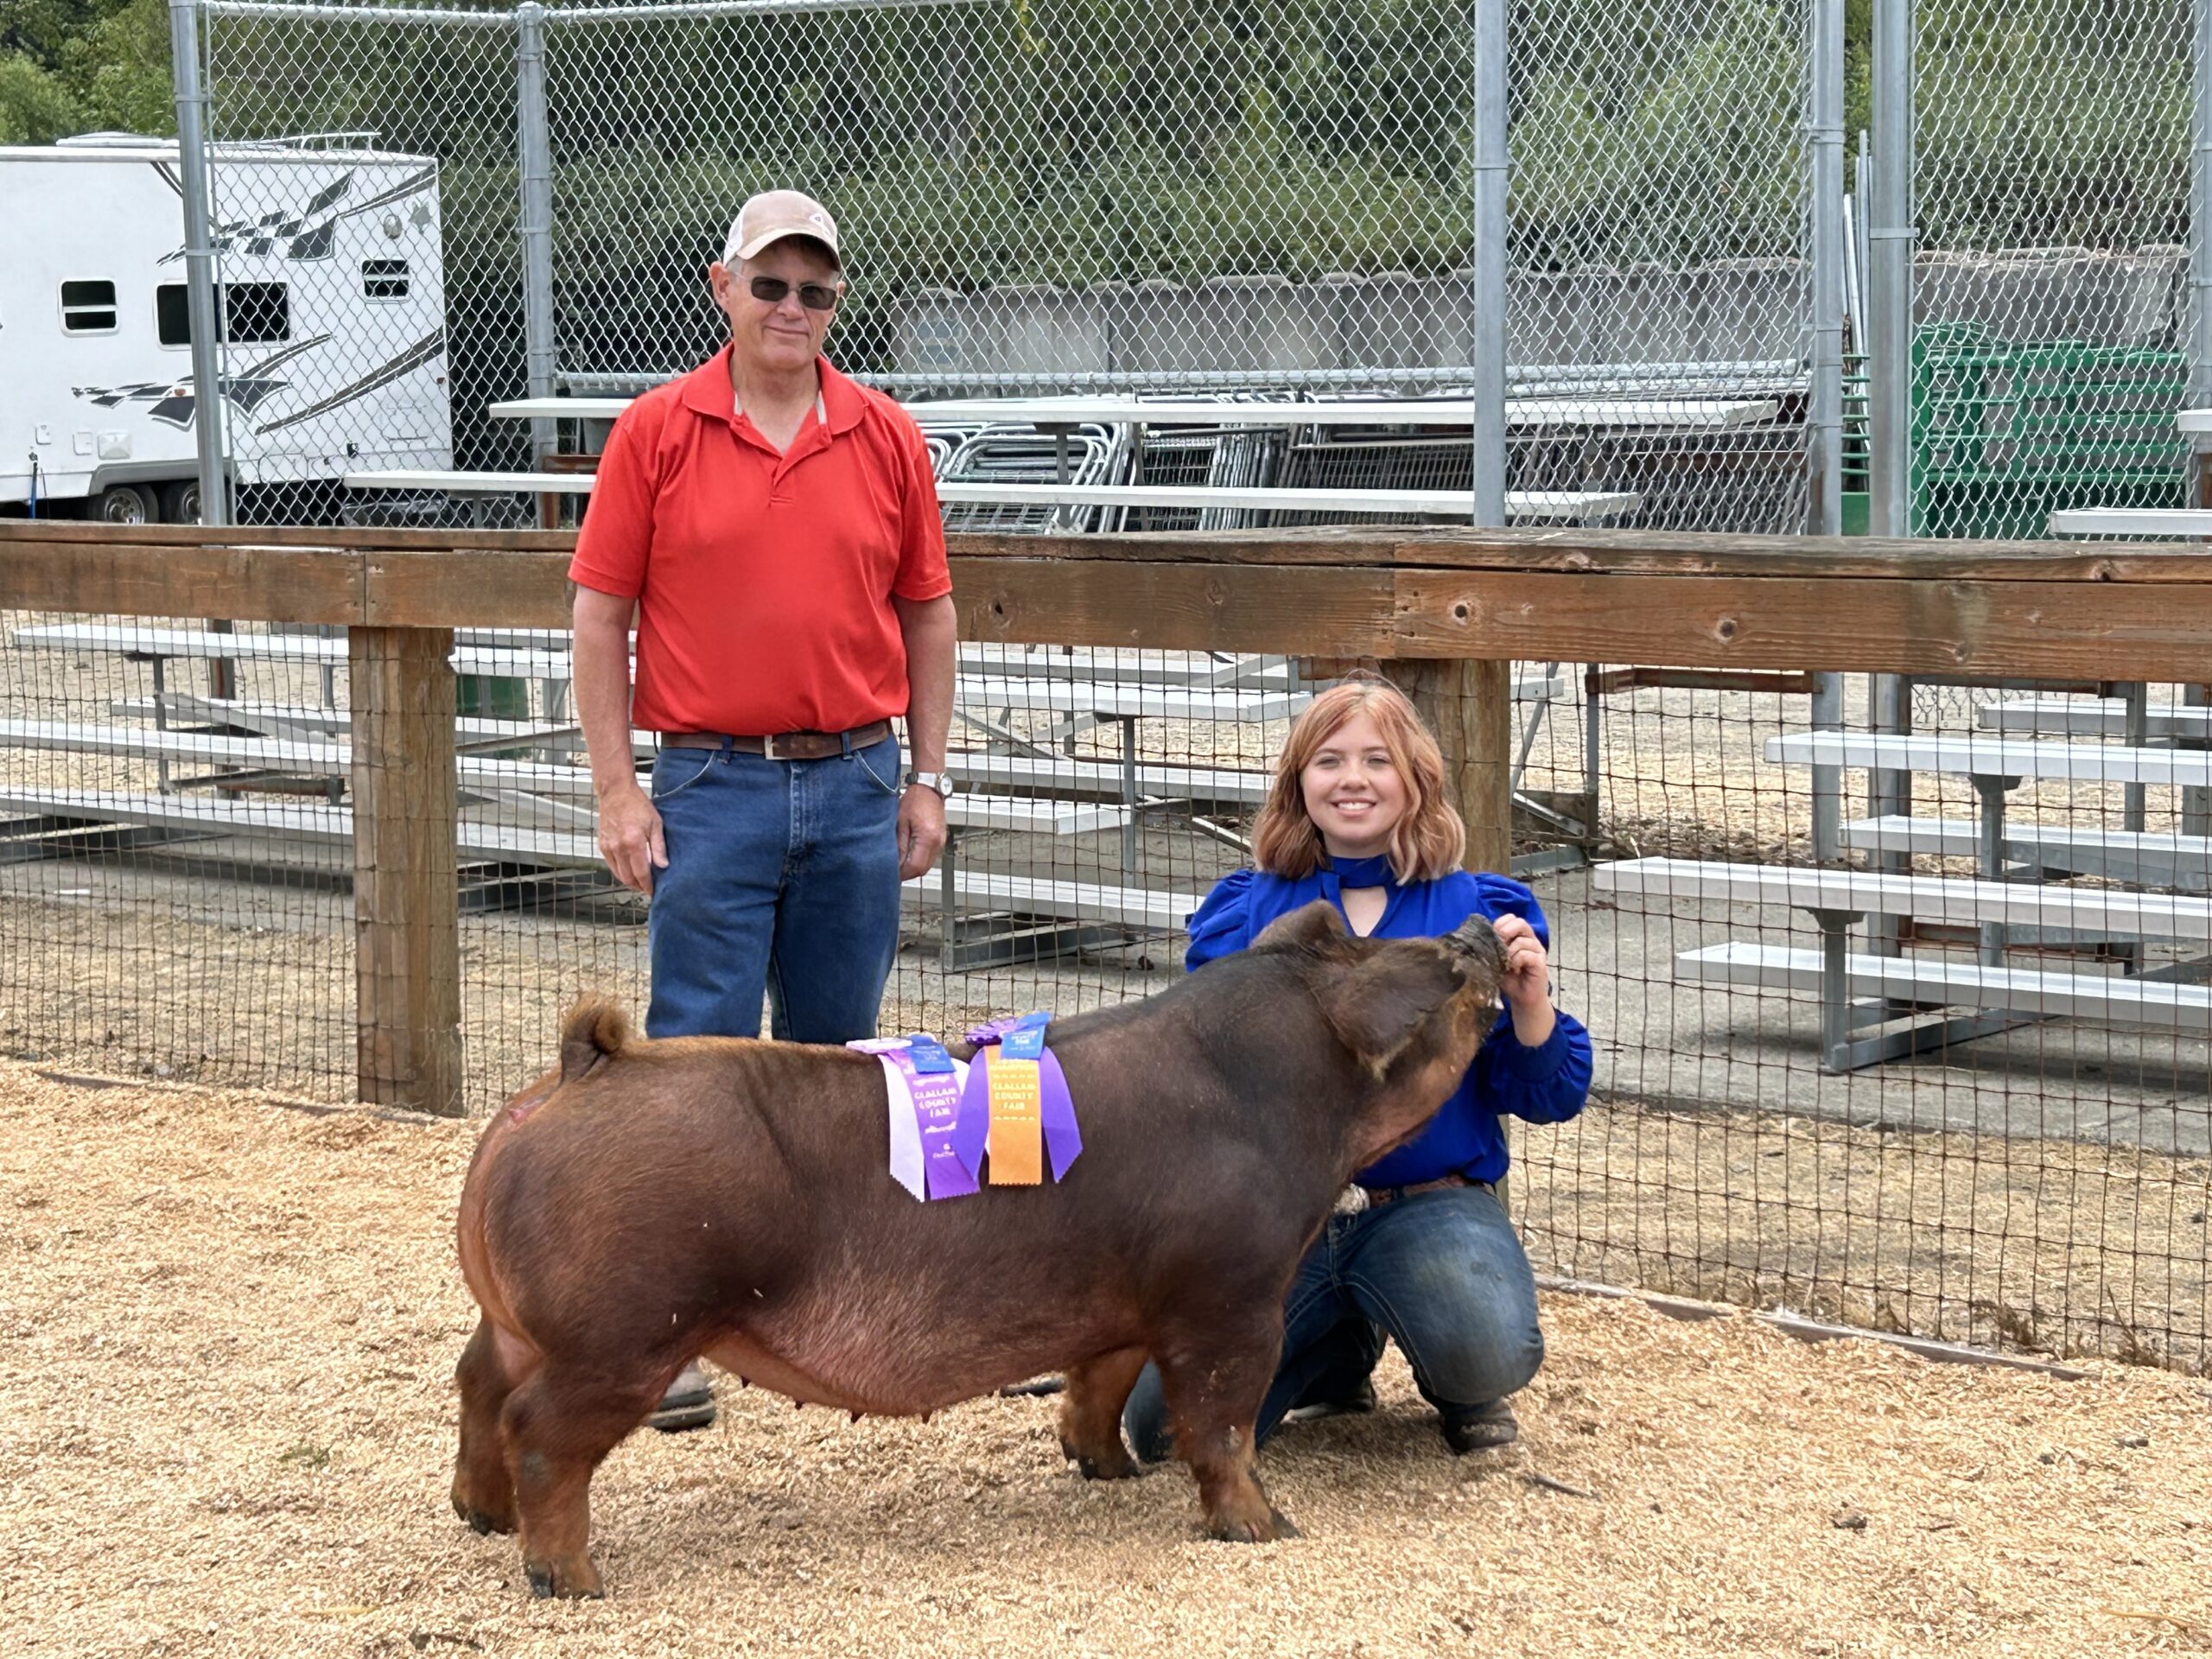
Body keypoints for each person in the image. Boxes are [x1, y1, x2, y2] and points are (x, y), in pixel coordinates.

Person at [568, 189, 958, 1430]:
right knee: (692, 1057)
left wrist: (928, 773)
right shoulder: (656, 431)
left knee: (840, 1062)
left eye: (817, 292)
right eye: (773, 285)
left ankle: (822, 1304)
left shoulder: (887, 434)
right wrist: (616, 787)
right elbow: (599, 614)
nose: (794, 309)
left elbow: (929, 612)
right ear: (722, 286)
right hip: (707, 780)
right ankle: (665, 1318)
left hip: (853, 777)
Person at [1124, 674, 1592, 1459]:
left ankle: (1454, 1376)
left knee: (1486, 1347)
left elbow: (1545, 1095)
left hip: (1426, 1204)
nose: (1352, 780)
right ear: (1298, 782)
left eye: (1377, 760)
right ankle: (1335, 1351)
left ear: (1416, 781)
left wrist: (1532, 1008)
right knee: (1161, 1433)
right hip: (1277, 1216)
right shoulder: (1245, 912)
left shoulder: (1476, 907)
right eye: (1329, 760)